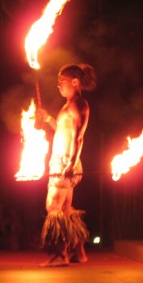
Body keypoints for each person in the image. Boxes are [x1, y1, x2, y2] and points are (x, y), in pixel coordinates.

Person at [39, 63, 97, 267]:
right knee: (65, 210)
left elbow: (78, 138)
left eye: (62, 81)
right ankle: (79, 252)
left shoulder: (77, 105)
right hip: (64, 161)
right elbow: (62, 130)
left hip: (65, 162)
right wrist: (48, 119)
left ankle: (60, 255)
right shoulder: (72, 105)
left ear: (75, 82)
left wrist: (70, 163)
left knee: (53, 206)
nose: (59, 86)